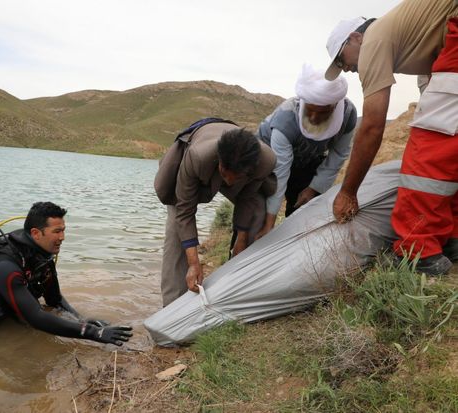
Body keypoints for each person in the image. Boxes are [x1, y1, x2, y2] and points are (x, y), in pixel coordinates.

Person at [324, 0, 458, 275]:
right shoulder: (418, 33)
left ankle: (418, 250)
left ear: (356, 37)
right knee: (450, 145)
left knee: (429, 154)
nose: (346, 69)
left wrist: (348, 192)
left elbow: (372, 125)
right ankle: (452, 237)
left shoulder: (373, 40)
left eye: (342, 59)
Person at [0, 202, 133, 346]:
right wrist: (93, 333)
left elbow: (55, 299)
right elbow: (35, 318)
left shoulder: (41, 255)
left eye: (63, 230)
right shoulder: (6, 266)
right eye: (57, 231)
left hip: (11, 310)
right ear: (36, 233)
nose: (62, 237)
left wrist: (81, 319)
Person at [157, 122, 277, 306]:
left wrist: (242, 239)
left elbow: (247, 197)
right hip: (192, 175)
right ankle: (172, 307)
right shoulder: (198, 156)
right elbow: (184, 211)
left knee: (258, 208)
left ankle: (237, 281)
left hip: (239, 173)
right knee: (176, 231)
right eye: (225, 174)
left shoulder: (265, 161)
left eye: (234, 177)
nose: (228, 181)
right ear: (220, 163)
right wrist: (194, 263)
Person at [254, 64, 356, 239]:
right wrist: (269, 223)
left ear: (334, 105)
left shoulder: (348, 115)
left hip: (306, 159)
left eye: (323, 112)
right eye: (310, 110)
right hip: (268, 158)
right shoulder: (285, 120)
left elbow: (338, 155)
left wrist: (313, 188)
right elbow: (280, 172)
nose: (315, 118)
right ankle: (241, 252)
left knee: (304, 208)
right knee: (256, 211)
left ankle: (293, 247)